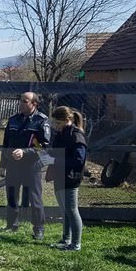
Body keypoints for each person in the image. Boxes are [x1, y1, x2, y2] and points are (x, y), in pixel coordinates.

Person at [0, 92, 51, 240]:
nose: (20, 103)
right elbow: (6, 144)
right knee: (12, 195)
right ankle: (12, 225)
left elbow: (44, 148)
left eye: (25, 101)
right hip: (13, 165)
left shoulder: (42, 121)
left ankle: (38, 229)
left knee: (35, 198)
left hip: (32, 166)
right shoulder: (13, 120)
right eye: (20, 100)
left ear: (34, 104)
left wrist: (25, 152)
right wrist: (3, 165)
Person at [47, 106, 87, 252]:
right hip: (59, 175)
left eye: (58, 123)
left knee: (72, 210)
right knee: (64, 210)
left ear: (68, 120)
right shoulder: (61, 133)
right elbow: (57, 151)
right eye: (55, 123)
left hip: (70, 177)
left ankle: (76, 244)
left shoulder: (76, 136)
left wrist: (55, 161)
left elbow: (78, 160)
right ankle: (66, 239)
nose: (56, 126)